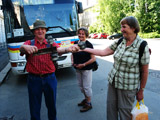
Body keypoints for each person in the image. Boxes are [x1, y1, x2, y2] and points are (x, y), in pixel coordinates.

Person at [83, 16, 150, 119]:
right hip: (113, 83)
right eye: (121, 27)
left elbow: (145, 72)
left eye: (124, 27)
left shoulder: (142, 46)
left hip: (128, 87)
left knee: (125, 114)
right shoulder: (120, 41)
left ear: (133, 28)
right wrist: (84, 49)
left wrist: (141, 90)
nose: (121, 30)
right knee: (111, 110)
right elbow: (103, 52)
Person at [20, 19, 79, 120]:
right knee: (34, 107)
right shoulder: (29, 43)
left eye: (43, 29)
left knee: (51, 106)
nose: (40, 31)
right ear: (34, 31)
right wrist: (26, 48)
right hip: (34, 80)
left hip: (50, 79)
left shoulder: (50, 43)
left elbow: (59, 49)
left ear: (45, 31)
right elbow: (21, 48)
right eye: (38, 29)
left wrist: (68, 49)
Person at [71, 27, 96, 112]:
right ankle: (86, 99)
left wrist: (83, 64)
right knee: (81, 87)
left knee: (86, 87)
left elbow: (93, 59)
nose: (81, 35)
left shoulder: (89, 45)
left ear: (86, 35)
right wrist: (72, 62)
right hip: (78, 68)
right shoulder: (75, 43)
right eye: (79, 33)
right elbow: (72, 54)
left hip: (86, 69)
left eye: (83, 34)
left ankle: (89, 104)